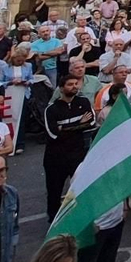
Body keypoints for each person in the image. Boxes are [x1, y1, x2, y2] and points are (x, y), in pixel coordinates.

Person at [42, 74, 95, 219]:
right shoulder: (51, 110)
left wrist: (63, 127)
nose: (74, 87)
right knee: (54, 191)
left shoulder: (83, 102)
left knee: (80, 187)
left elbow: (91, 123)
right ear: (61, 88)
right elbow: (53, 134)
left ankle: (81, 217)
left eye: (76, 84)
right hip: (55, 158)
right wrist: (78, 125)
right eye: (70, 84)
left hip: (78, 155)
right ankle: (53, 220)